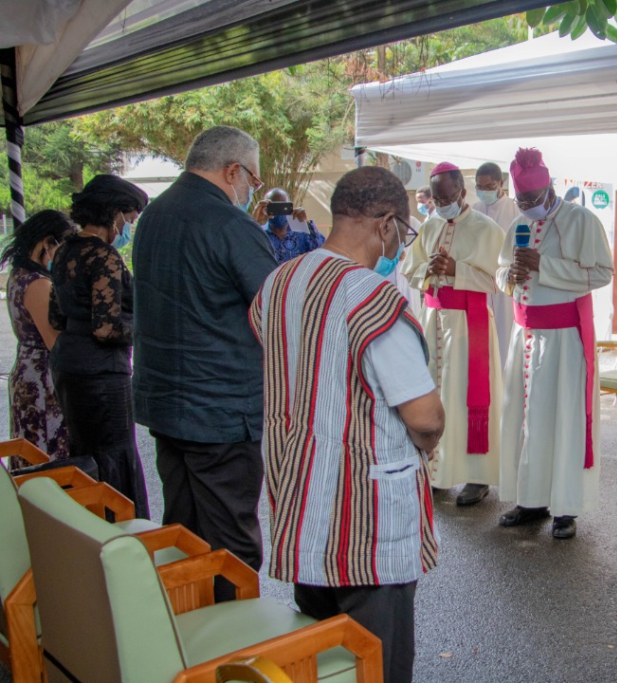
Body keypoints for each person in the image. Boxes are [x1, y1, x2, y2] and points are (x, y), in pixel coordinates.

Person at [250, 166, 443, 683]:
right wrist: (429, 442)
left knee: (323, 660)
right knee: (375, 663)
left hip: (303, 502)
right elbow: (424, 415)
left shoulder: (279, 282)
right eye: (403, 232)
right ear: (385, 224)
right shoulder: (373, 299)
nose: (400, 243)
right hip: (367, 523)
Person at [132, 125, 278, 599]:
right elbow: (274, 310)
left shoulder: (153, 214)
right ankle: (233, 637)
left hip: (165, 401)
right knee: (232, 542)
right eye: (253, 179)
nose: (252, 190)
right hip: (220, 407)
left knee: (184, 529)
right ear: (233, 170)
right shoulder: (230, 225)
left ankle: (188, 627)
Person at [495, 147, 613, 539]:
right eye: (521, 201)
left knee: (563, 419)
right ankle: (530, 500)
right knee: (525, 419)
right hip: (524, 337)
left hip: (564, 340)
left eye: (533, 199)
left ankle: (565, 508)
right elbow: (500, 271)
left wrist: (543, 265)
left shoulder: (581, 220)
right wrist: (509, 275)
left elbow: (601, 273)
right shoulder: (517, 225)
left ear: (550, 190)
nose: (528, 206)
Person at [402, 162, 505, 506]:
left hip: (467, 325)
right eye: (436, 198)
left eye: (446, 197)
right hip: (432, 319)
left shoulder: (486, 229)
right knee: (434, 394)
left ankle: (477, 476)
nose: (441, 204)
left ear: (461, 190)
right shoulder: (430, 225)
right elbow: (409, 269)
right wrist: (427, 269)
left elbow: (497, 280)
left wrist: (457, 270)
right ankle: (438, 471)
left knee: (466, 396)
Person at [49, 175, 150, 517]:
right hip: (102, 373)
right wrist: (145, 328)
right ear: (114, 213)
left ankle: (87, 528)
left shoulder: (64, 250)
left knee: (85, 454)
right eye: (129, 218)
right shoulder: (104, 255)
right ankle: (120, 529)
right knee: (113, 455)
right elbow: (106, 328)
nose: (128, 226)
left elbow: (55, 316)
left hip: (68, 363)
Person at [2, 210, 74, 468]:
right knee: (46, 454)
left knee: (30, 450)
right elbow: (53, 341)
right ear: (47, 243)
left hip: (27, 370)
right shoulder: (38, 284)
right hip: (42, 379)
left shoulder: (18, 275)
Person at [472, 161, 518, 368]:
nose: (484, 191)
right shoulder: (474, 210)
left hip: (505, 286)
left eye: (489, 187)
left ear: (501, 183)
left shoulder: (515, 211)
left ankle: (505, 380)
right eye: (479, 187)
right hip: (479, 283)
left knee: (504, 336)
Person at [253, 187, 326, 263]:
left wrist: (306, 223)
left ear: (291, 207)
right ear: (265, 209)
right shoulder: (259, 235)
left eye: (283, 207)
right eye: (274, 207)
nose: (279, 211)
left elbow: (322, 254)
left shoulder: (303, 235)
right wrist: (253, 220)